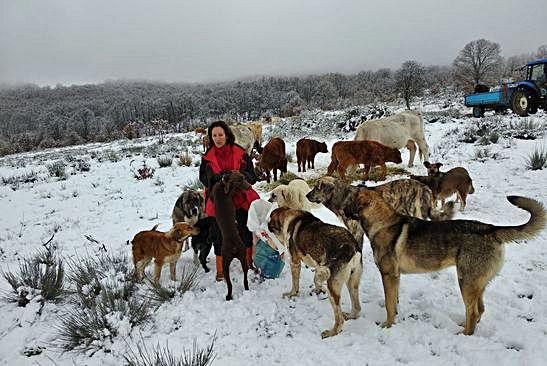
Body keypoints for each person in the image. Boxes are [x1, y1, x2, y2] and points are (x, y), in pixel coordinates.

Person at [199, 120, 260, 281]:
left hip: (240, 196)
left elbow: (252, 176)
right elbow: (204, 179)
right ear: (210, 138)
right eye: (214, 135)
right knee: (219, 232)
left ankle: (248, 261)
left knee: (245, 227)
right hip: (219, 198)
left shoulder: (240, 152)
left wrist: (238, 177)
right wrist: (221, 177)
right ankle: (220, 268)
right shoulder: (207, 158)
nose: (218, 138)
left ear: (227, 135)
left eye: (220, 134)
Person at [247, 199, 286, 279]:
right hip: (276, 262)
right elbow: (281, 249)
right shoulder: (276, 226)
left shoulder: (257, 227)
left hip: (263, 258)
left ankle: (263, 270)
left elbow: (254, 243)